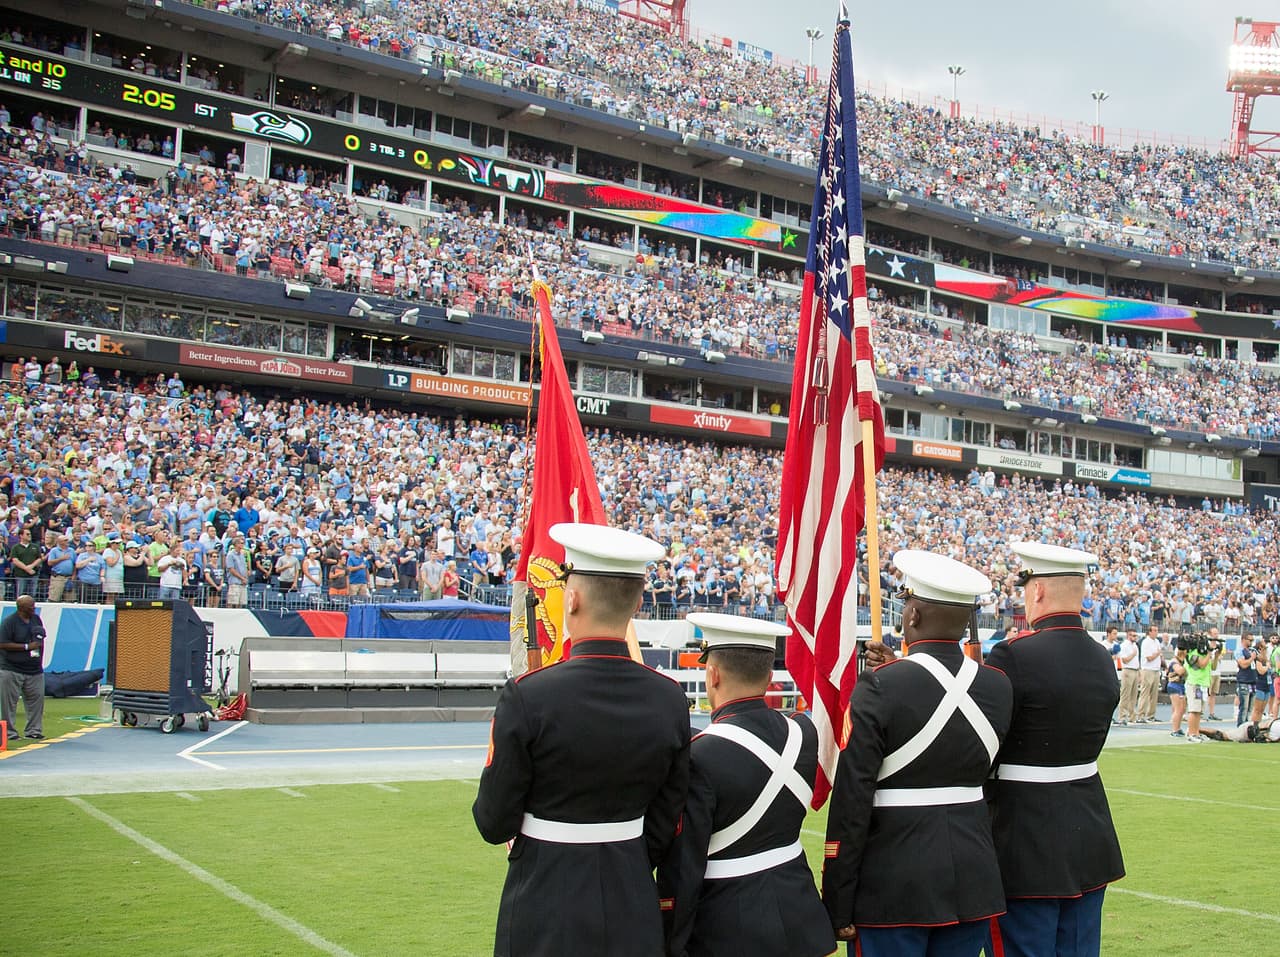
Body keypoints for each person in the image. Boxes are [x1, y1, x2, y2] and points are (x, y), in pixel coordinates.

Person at [473, 523, 690, 957]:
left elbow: (493, 820)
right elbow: (667, 817)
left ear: (570, 598)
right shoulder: (669, 698)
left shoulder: (528, 695)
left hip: (546, 895)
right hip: (631, 892)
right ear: (639, 602)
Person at [824, 551, 1012, 957]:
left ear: (912, 617)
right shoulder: (998, 686)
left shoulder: (879, 686)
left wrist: (838, 898)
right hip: (972, 877)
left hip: (894, 883)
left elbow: (852, 800)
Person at [658, 613, 833, 957]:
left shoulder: (698, 756)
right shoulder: (805, 733)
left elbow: (684, 869)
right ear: (769, 677)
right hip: (801, 916)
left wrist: (670, 940)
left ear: (713, 673)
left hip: (727, 926)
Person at [984, 542, 1125, 957]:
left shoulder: (1012, 654)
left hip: (1023, 835)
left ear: (1038, 591)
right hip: (1087, 831)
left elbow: (982, 741)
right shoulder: (1102, 658)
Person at [0, 594, 46, 740]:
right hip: (12, 668)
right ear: (21, 608)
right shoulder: (9, 622)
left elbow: (39, 636)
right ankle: (10, 733)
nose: (34, 608)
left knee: (36, 700)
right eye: (31, 606)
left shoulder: (36, 619)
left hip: (34, 669)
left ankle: (34, 730)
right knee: (9, 703)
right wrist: (26, 647)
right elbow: (2, 643)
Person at [1137, 626, 1162, 723]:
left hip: (1156, 670)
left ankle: (1151, 715)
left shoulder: (1157, 642)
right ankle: (1141, 715)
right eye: (1154, 630)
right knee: (1145, 693)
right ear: (1149, 632)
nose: (1156, 632)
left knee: (1154, 694)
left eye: (1157, 630)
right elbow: (1149, 658)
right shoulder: (1146, 642)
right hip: (1148, 669)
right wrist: (1157, 654)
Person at [1115, 627, 1140, 725]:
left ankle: (1132, 716)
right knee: (1125, 694)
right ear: (1128, 635)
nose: (1135, 637)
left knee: (1134, 695)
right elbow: (1124, 660)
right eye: (1133, 635)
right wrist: (1133, 654)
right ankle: (1122, 716)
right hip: (1128, 670)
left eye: (1135, 635)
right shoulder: (1124, 645)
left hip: (1135, 670)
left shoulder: (1135, 646)